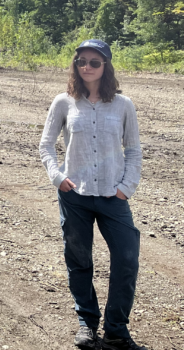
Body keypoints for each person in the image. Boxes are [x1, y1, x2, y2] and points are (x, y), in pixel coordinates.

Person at [39, 39, 143, 350]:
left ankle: (116, 330)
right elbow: (46, 145)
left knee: (126, 259)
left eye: (94, 62)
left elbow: (134, 150)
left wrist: (127, 187)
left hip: (113, 196)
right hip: (75, 195)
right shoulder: (63, 102)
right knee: (79, 260)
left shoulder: (124, 105)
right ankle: (87, 323)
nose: (87, 67)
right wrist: (57, 177)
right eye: (81, 61)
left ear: (106, 66)